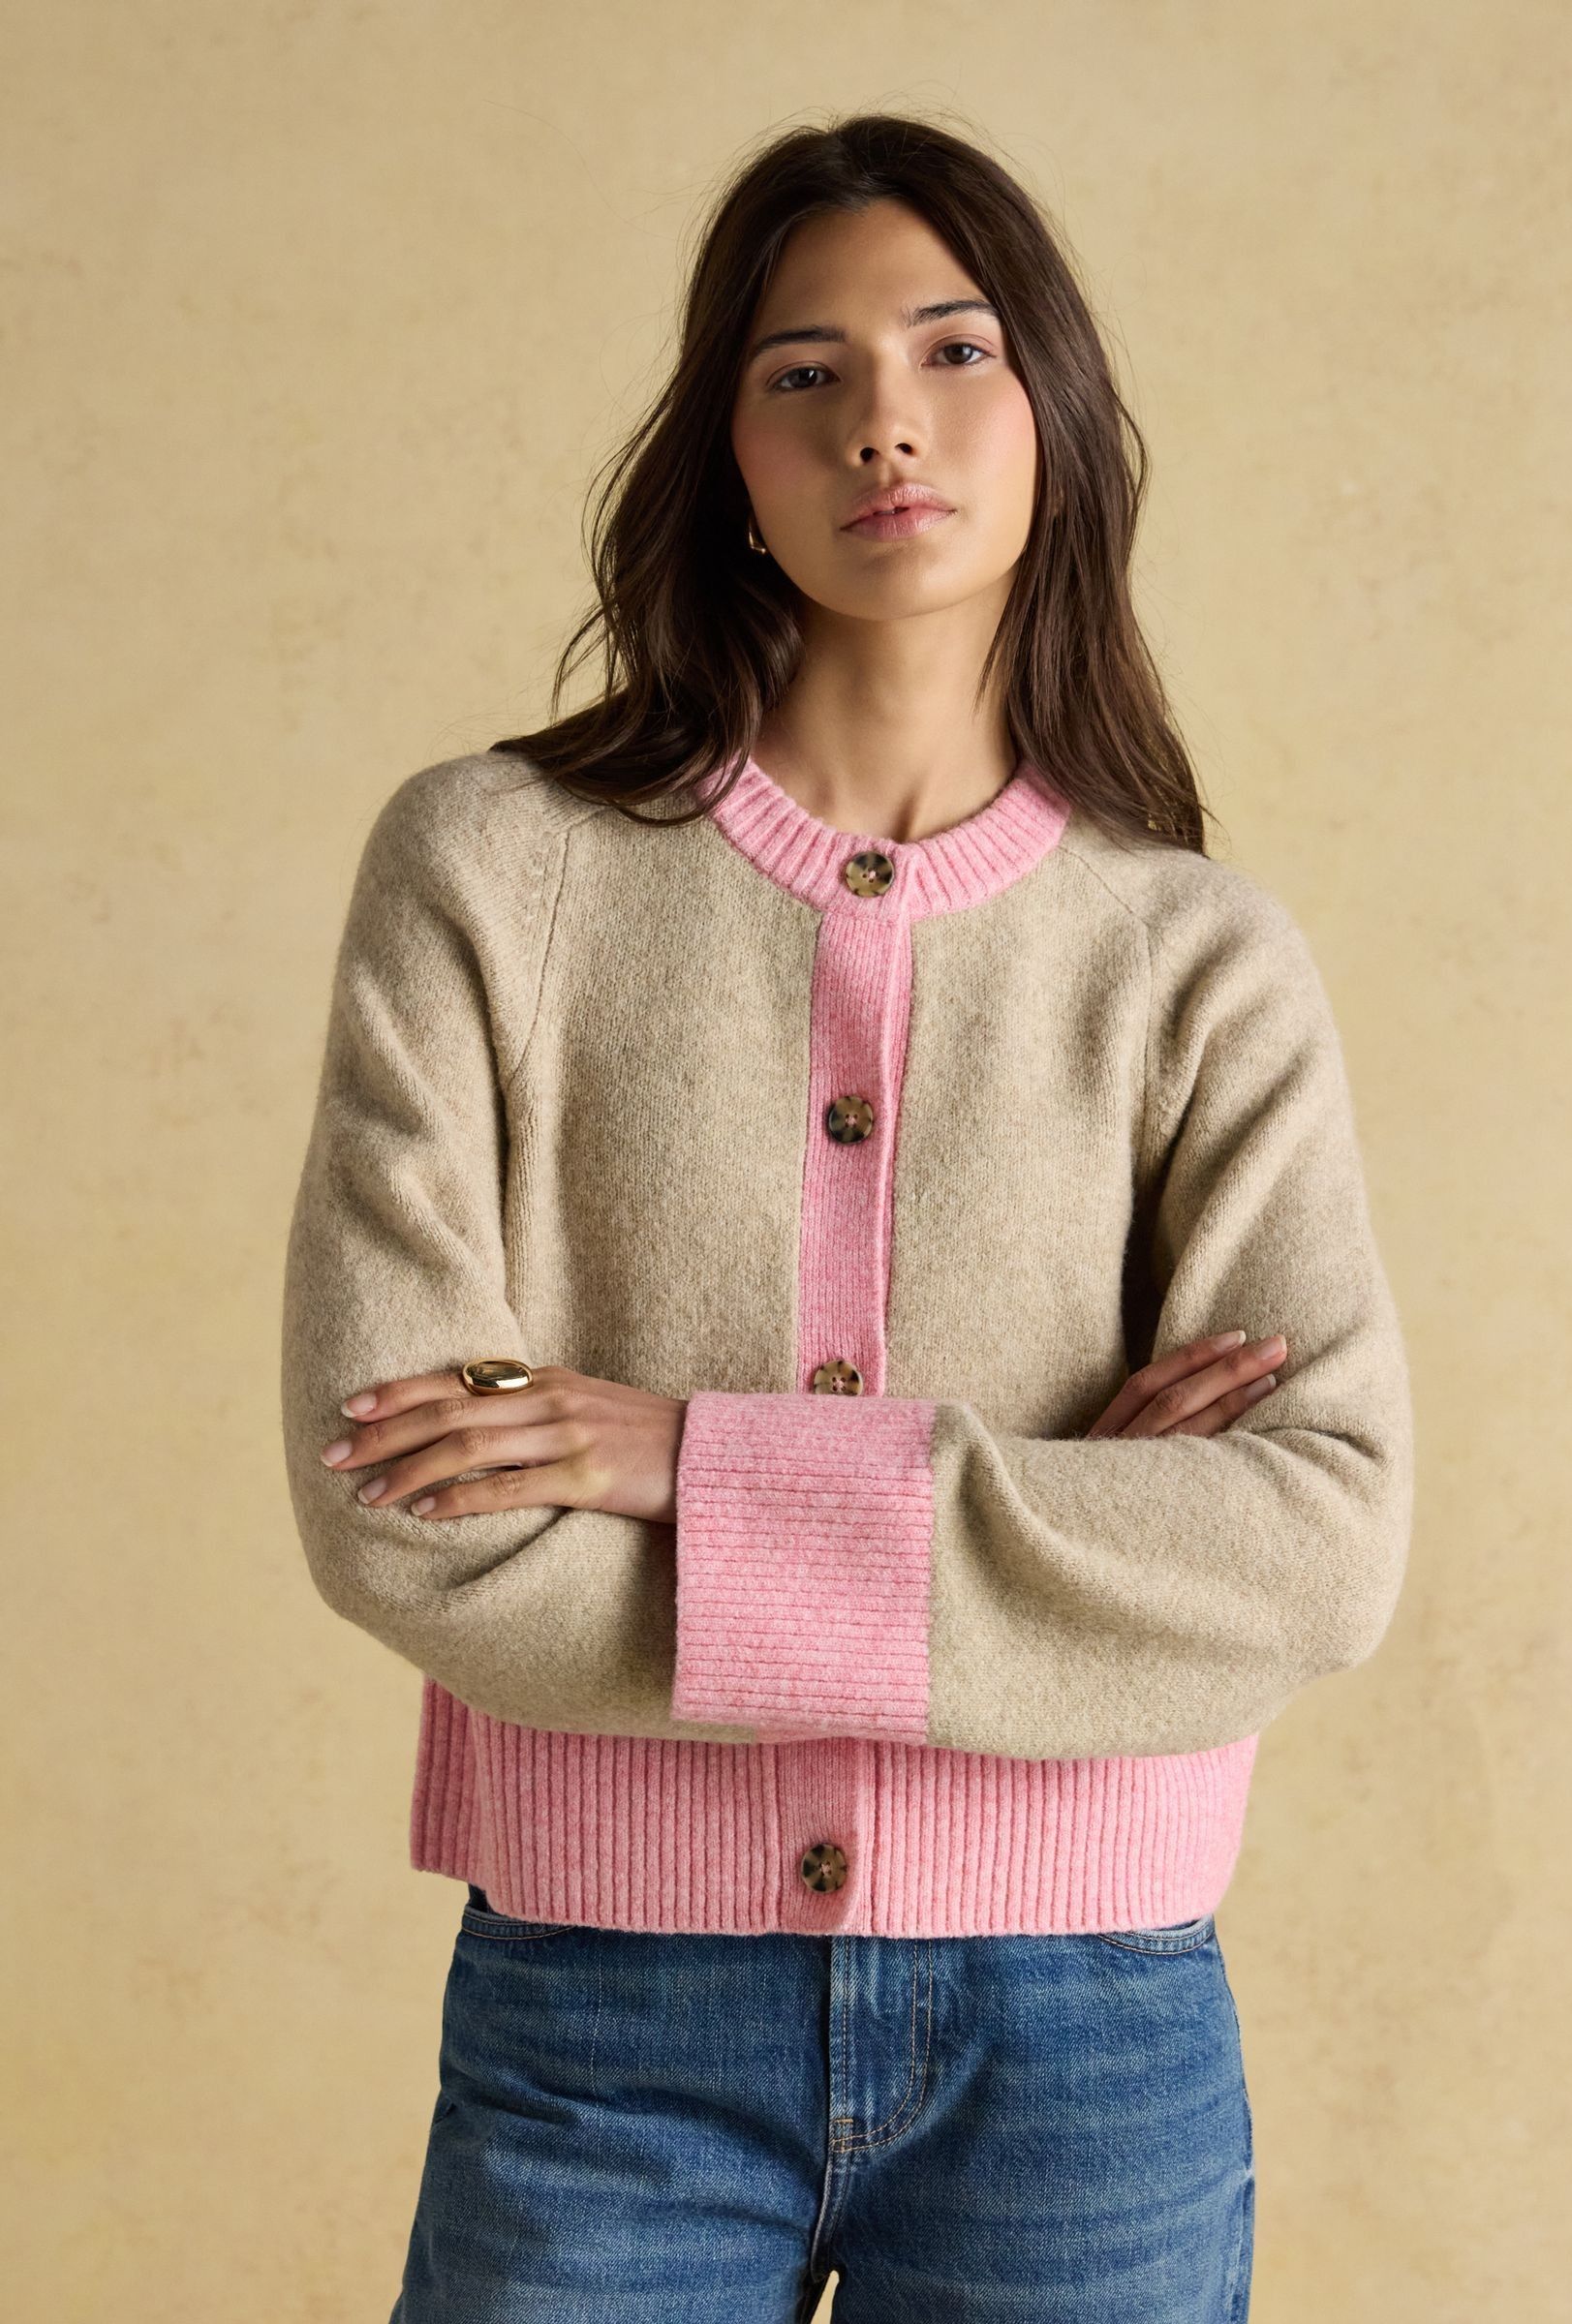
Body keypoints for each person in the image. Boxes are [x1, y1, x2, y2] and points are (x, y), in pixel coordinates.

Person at [279, 108, 1413, 2324]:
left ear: (1055, 414)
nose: (882, 421)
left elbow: (1316, 1548)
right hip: (603, 2019)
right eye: (803, 372)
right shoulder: (488, 875)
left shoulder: (1197, 961)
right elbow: (405, 1516)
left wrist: (682, 1464)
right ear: (727, 455)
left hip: (1087, 2029)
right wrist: (1065, 1537)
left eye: (953, 351)